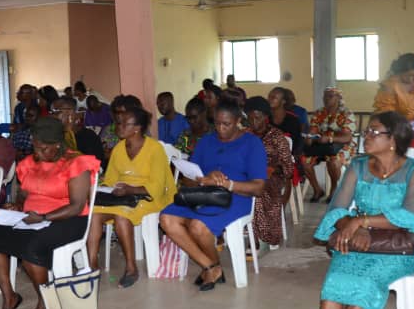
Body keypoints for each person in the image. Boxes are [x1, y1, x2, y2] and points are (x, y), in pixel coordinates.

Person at [291, 112, 414, 309]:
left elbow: (407, 217)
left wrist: (363, 221)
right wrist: (352, 226)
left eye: (373, 132)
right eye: (367, 132)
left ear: (393, 140)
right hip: (357, 240)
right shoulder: (357, 166)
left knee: (366, 284)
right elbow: (337, 209)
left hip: (396, 247)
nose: (365, 136)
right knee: (335, 283)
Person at [0, 117, 100, 309]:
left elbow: (76, 205)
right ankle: (10, 297)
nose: (38, 153)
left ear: (58, 144)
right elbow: (23, 195)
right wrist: (16, 206)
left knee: (32, 246)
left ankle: (45, 303)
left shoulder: (76, 163)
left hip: (69, 219)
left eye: (44, 149)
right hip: (31, 218)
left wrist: (44, 218)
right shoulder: (29, 163)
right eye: (35, 147)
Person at [160, 100, 268, 291]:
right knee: (167, 219)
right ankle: (211, 266)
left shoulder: (251, 143)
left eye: (226, 124)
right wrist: (204, 179)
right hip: (204, 194)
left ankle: (210, 268)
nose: (220, 129)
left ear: (237, 121)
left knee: (198, 226)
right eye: (217, 123)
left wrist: (228, 184)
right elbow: (188, 179)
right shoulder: (207, 141)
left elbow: (258, 187)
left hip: (237, 197)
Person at [87, 106, 176, 286]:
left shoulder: (154, 149)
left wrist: (130, 190)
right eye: (118, 123)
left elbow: (158, 186)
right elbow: (111, 178)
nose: (118, 127)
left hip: (149, 196)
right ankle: (91, 266)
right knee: (93, 214)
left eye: (124, 124)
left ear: (137, 128)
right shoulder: (119, 149)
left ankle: (131, 268)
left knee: (121, 216)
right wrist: (104, 187)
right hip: (122, 195)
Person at [244, 97, 293, 252]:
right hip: (247, 175)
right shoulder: (244, 135)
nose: (253, 122)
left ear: (266, 117)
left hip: (272, 178)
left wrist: (273, 168)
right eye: (250, 118)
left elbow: (288, 168)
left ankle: (258, 237)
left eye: (257, 118)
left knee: (257, 192)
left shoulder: (276, 136)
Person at [303, 87, 357, 203]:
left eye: (330, 96)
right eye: (325, 96)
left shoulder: (346, 114)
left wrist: (330, 139)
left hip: (343, 145)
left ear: (338, 98)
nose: (326, 99)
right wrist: (309, 137)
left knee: (333, 161)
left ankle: (334, 189)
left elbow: (347, 137)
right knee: (304, 161)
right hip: (322, 146)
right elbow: (313, 129)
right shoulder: (319, 113)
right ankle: (317, 190)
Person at [373, 53, 414, 119]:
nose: (412, 79)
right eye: (409, 75)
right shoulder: (389, 86)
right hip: (399, 125)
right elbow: (386, 112)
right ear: (399, 73)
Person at [51, 97, 105, 162]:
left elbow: (95, 164)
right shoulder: (53, 136)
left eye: (55, 112)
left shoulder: (88, 137)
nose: (51, 116)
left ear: (70, 114)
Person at [267, 87, 304, 161]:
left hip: (289, 157)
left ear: (283, 101)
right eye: (269, 97)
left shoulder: (293, 119)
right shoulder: (266, 118)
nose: (269, 100)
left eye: (273, 97)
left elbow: (297, 142)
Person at [100, 95, 142, 159]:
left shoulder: (140, 130)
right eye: (117, 112)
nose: (119, 116)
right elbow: (102, 152)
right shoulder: (108, 129)